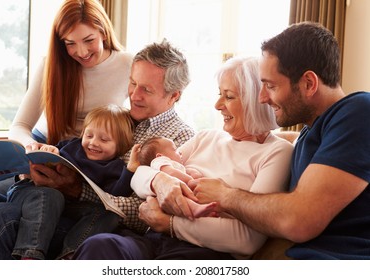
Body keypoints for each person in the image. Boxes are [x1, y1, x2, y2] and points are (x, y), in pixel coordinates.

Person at [158, 22, 370, 260]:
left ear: (309, 83)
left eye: (270, 86)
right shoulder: (312, 135)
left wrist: (225, 195)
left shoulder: (359, 111)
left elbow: (298, 221)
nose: (262, 97)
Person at [0, 39, 195, 259]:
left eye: (146, 90)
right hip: (59, 203)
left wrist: (77, 190)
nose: (134, 95)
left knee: (2, 217)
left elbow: (149, 212)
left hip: (97, 224)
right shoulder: (117, 117)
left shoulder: (180, 138)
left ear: (174, 95)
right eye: (132, 83)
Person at [72, 56, 294, 260]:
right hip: (153, 241)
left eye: (228, 97)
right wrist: (159, 181)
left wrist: (170, 223)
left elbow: (247, 240)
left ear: (258, 100)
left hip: (202, 253)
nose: (217, 105)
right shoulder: (207, 137)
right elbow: (139, 173)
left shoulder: (277, 153)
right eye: (219, 95)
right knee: (99, 246)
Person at [0, 0, 133, 211]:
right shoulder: (51, 65)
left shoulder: (128, 64)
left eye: (89, 40)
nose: (81, 51)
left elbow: (139, 121)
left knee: (9, 209)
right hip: (46, 149)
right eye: (70, 43)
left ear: (104, 32)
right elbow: (19, 125)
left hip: (86, 159)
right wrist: (30, 147)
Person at [0, 105, 137, 260]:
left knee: (109, 213)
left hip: (70, 206)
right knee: (51, 195)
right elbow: (51, 154)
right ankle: (30, 255)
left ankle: (70, 254)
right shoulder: (72, 145)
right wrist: (47, 152)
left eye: (104, 139)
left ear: (120, 146)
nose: (93, 143)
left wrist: (130, 171)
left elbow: (116, 194)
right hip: (35, 192)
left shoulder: (115, 167)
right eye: (88, 135)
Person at [138, 136, 216, 218]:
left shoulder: (174, 165)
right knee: (182, 198)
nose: (180, 152)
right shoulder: (159, 162)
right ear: (160, 156)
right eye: (175, 149)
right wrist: (190, 180)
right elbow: (171, 173)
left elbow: (181, 172)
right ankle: (195, 209)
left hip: (175, 198)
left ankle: (203, 212)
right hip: (170, 196)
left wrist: (193, 173)